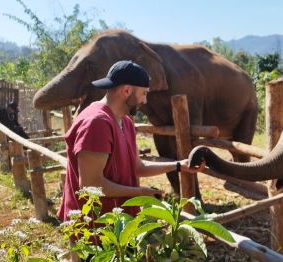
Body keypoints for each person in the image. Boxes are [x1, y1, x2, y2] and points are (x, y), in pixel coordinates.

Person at [58, 60, 205, 224]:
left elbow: (137, 167)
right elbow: (91, 184)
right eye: (144, 93)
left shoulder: (125, 122)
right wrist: (140, 193)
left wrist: (178, 165)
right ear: (127, 90)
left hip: (119, 224)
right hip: (93, 228)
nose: (145, 101)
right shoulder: (96, 123)